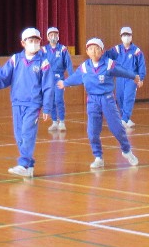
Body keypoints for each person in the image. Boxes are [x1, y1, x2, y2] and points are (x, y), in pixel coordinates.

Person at [0, 27, 52, 178]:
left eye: (36, 41)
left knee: (27, 132)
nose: (34, 43)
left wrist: (47, 108)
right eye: (30, 41)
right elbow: (3, 77)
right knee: (19, 135)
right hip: (17, 103)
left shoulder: (44, 62)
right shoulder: (15, 59)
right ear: (23, 43)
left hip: (33, 104)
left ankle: (23, 164)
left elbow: (48, 87)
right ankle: (29, 167)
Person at [59, 37, 141, 170]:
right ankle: (98, 157)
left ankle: (126, 151)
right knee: (92, 131)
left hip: (107, 99)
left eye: (97, 49)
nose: (94, 51)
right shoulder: (85, 67)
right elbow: (75, 77)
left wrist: (134, 76)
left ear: (102, 51)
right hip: (92, 101)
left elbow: (122, 71)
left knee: (117, 128)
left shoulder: (109, 64)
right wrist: (65, 83)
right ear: (87, 51)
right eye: (91, 49)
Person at [107, 26, 146, 128]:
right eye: (124, 35)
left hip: (132, 79)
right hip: (120, 78)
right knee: (119, 98)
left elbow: (142, 65)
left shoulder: (136, 51)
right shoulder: (117, 49)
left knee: (128, 98)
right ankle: (126, 118)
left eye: (128, 35)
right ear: (121, 37)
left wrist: (141, 79)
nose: (126, 37)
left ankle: (124, 119)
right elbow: (106, 55)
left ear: (131, 36)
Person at [43, 26, 72, 132]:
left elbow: (68, 64)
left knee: (58, 99)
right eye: (51, 35)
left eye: (55, 35)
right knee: (50, 101)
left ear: (58, 36)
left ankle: (62, 122)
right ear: (47, 37)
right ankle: (54, 121)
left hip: (59, 78)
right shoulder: (44, 50)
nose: (53, 37)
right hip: (48, 79)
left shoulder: (63, 49)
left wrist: (71, 78)